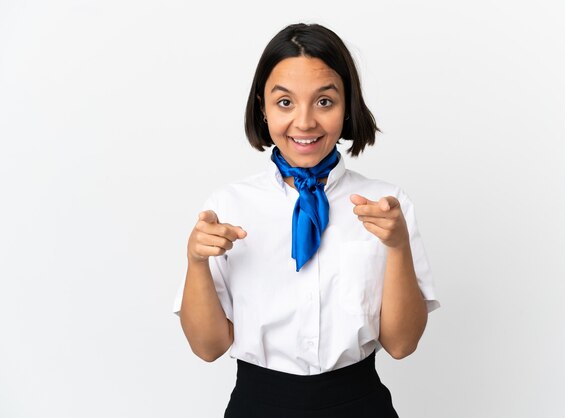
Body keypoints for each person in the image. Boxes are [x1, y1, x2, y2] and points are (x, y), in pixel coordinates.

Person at [173, 22, 440, 417]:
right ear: (262, 108)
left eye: (324, 102)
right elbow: (207, 348)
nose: (304, 122)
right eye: (285, 103)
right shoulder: (228, 205)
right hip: (258, 405)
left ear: (347, 106)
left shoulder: (387, 205)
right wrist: (196, 261)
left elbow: (401, 345)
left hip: (359, 404)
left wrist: (398, 246)